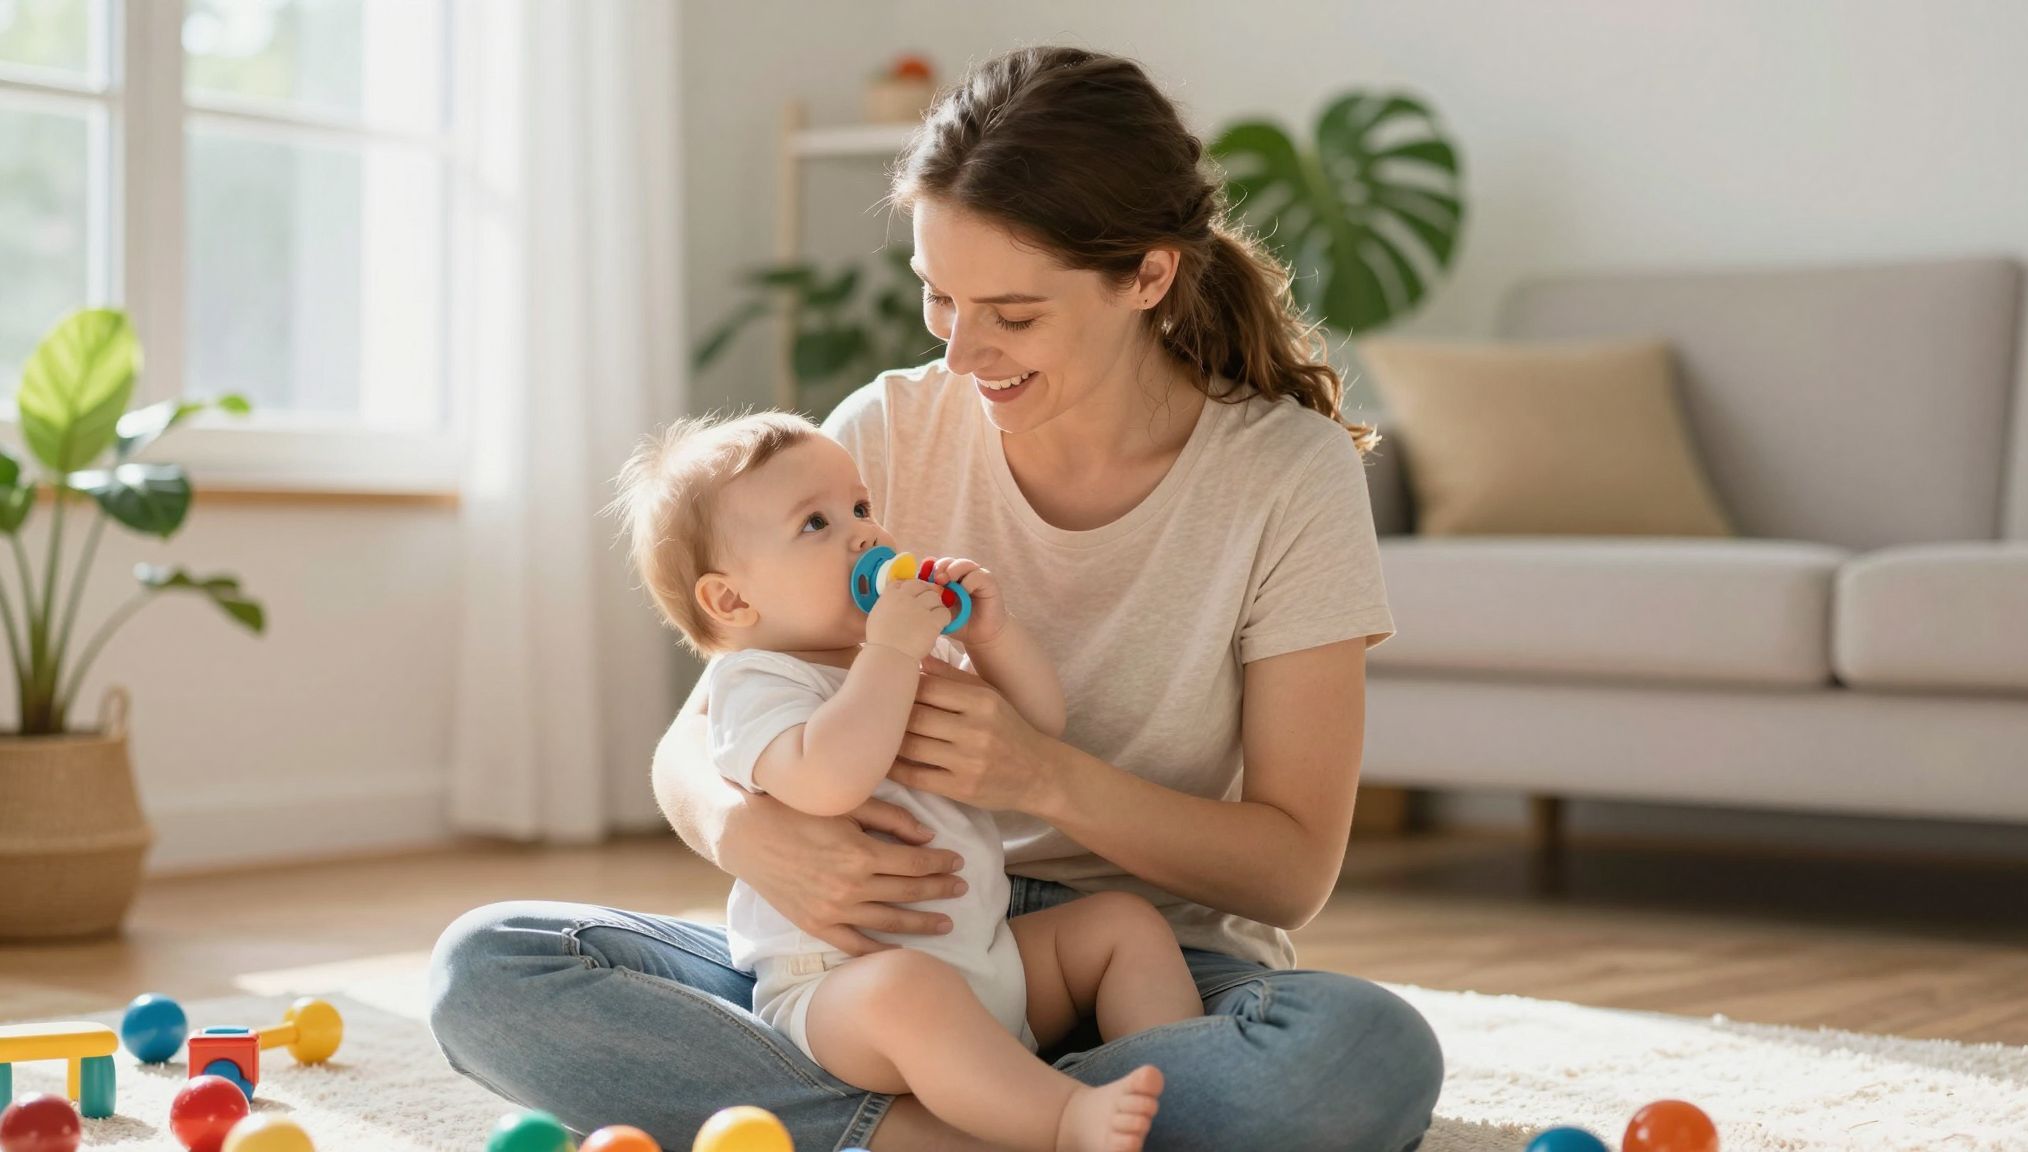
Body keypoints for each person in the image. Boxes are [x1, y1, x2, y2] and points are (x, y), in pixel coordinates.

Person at [428, 45, 1443, 1152]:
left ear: (1148, 276)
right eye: (937, 297)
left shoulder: (1283, 474)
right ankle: (984, 1125)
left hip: (1136, 960)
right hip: (877, 948)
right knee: (491, 966)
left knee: (1360, 1057)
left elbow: (1290, 871)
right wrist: (753, 839)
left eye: (1010, 313)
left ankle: (956, 1117)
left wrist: (1042, 776)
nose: (962, 352)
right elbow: (701, 733)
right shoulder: (887, 431)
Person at [603, 410, 1200, 1151]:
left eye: (860, 507)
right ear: (731, 600)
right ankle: (1062, 1121)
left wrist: (990, 637)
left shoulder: (906, 654)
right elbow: (827, 782)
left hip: (989, 960)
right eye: (815, 524)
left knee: (1124, 926)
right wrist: (890, 652)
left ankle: (1184, 1092)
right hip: (843, 991)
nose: (863, 533)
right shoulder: (758, 682)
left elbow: (1037, 726)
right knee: (909, 993)